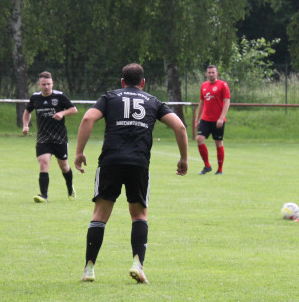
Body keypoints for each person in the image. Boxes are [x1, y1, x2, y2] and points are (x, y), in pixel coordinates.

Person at [74, 63, 188, 284]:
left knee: (100, 214)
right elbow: (180, 127)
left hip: (110, 161)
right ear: (143, 82)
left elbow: (87, 118)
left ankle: (89, 268)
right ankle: (137, 263)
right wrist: (183, 158)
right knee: (138, 215)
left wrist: (79, 152)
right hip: (138, 163)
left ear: (122, 82)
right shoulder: (153, 101)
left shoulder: (109, 97)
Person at [22, 71, 78, 203]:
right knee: (43, 164)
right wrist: (25, 125)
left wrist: (62, 113)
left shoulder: (59, 96)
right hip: (43, 138)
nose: (46, 87)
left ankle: (70, 189)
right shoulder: (35, 97)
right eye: (43, 84)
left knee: (64, 166)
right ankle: (44, 195)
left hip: (60, 138)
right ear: (39, 85)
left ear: (52, 83)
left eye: (48, 84)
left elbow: (74, 110)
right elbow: (27, 111)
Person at [193, 65, 230, 175]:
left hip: (218, 120)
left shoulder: (223, 85)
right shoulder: (203, 85)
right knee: (199, 139)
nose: (211, 74)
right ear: (206, 74)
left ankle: (220, 170)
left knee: (218, 142)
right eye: (209, 72)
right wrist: (197, 118)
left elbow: (227, 102)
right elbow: (201, 103)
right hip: (205, 119)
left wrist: (221, 117)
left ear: (217, 73)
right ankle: (207, 166)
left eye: (213, 72)